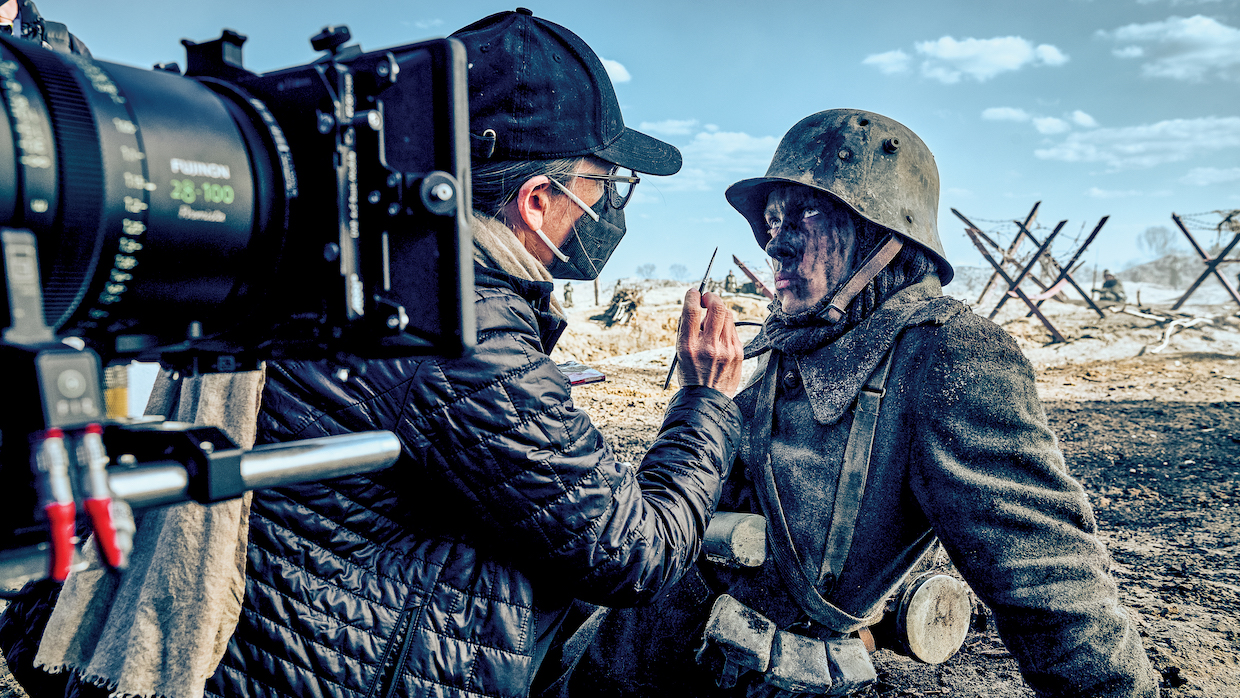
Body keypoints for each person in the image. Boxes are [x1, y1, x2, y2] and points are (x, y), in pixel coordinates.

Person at [1, 9, 745, 698]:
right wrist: (704, 403)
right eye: (604, 185)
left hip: (257, 660)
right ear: (537, 200)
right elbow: (629, 550)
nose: (610, 207)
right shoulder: (459, 326)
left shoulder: (341, 268)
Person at [567, 110, 1157, 697]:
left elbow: (1052, 585)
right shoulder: (797, 343)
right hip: (625, 656)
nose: (778, 241)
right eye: (773, 219)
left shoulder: (947, 356)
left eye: (809, 213)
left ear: (883, 236)